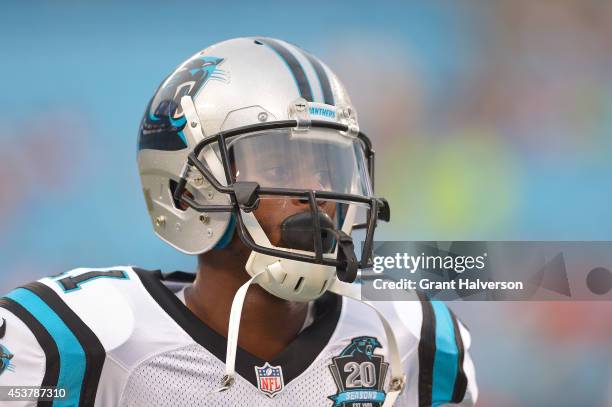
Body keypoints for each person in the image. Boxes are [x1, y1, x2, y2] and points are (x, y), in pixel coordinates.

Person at [0, 37, 477, 406]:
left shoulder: (412, 336)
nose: (316, 195)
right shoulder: (82, 339)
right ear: (185, 189)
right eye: (277, 167)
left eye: (327, 167)